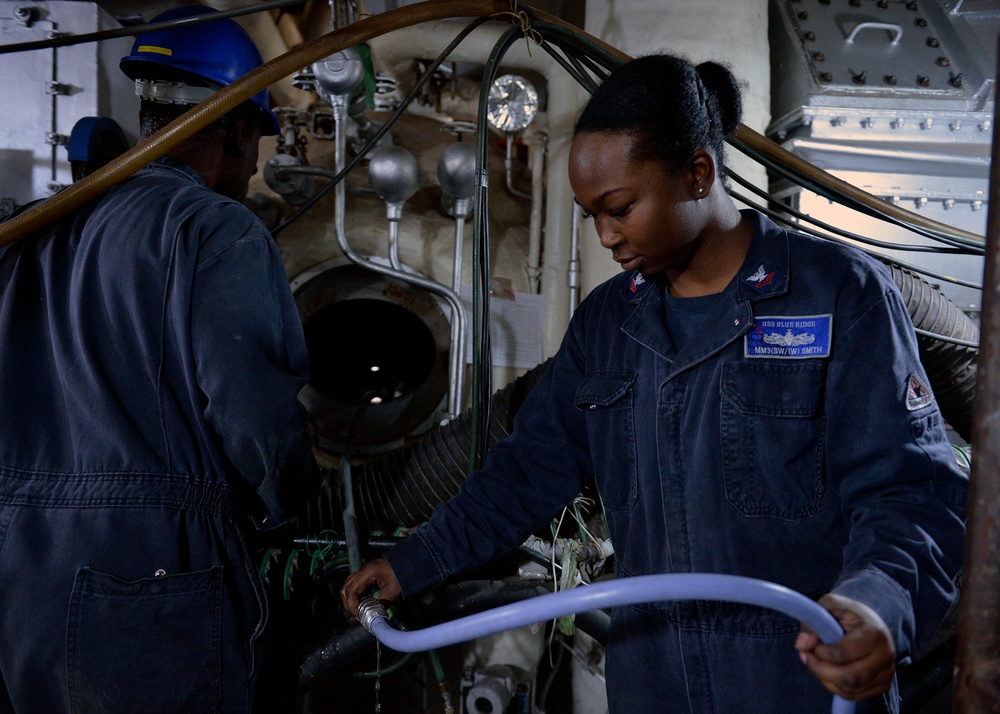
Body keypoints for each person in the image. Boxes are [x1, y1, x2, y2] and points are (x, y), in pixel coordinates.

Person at [340, 54, 968, 713]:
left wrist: (876, 604)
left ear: (698, 173)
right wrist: (415, 562)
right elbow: (526, 472)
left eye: (621, 208)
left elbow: (912, 494)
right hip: (652, 677)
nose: (609, 235)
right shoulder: (608, 324)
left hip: (800, 674)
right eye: (593, 216)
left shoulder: (837, 293)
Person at [0, 6, 321, 713]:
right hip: (152, 582)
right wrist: (295, 510)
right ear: (238, 131)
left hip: (21, 579)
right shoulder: (214, 228)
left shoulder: (36, 228)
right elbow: (256, 419)